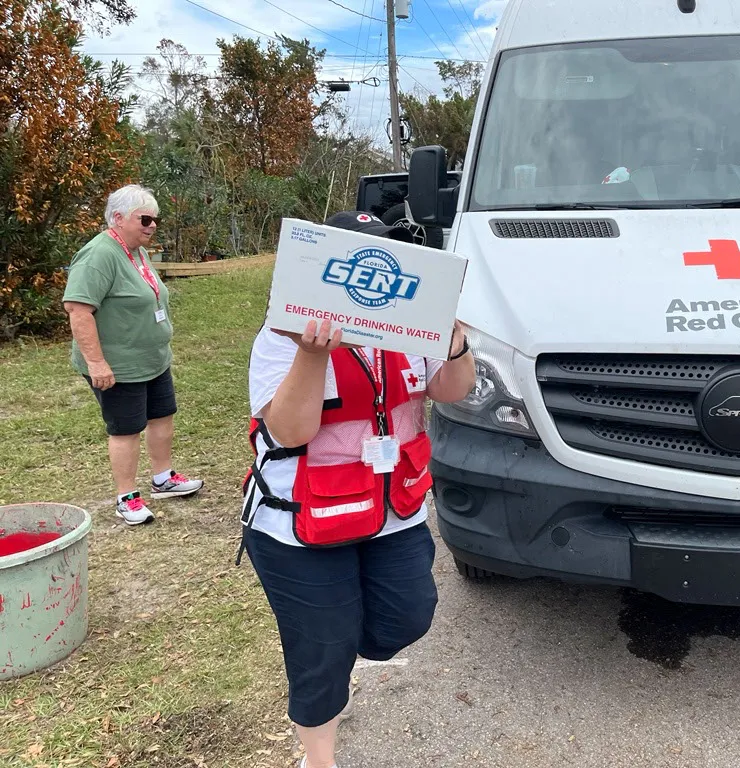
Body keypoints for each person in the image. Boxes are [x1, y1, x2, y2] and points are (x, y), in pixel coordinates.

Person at [239, 211, 477, 768]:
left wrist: (457, 343)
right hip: (301, 522)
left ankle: (346, 644)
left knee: (408, 617)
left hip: (391, 511)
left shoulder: (411, 328)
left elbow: (453, 390)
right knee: (321, 648)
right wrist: (312, 353)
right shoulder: (284, 337)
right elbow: (291, 431)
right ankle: (318, 756)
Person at [62, 184, 204, 525]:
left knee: (162, 415)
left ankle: (163, 478)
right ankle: (126, 497)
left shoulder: (136, 249)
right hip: (119, 366)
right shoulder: (99, 254)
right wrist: (97, 362)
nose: (152, 225)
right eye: (145, 218)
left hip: (152, 359)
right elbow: (78, 310)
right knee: (125, 429)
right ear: (118, 218)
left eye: (155, 219)